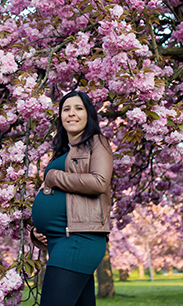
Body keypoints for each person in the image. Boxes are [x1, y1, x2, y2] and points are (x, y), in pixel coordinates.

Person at [31, 90, 113, 306]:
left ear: (89, 115)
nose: (71, 113)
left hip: (80, 238)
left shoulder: (98, 143)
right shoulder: (62, 152)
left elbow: (99, 182)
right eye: (66, 109)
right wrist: (39, 231)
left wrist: (54, 176)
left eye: (78, 108)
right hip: (59, 240)